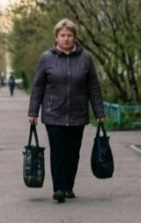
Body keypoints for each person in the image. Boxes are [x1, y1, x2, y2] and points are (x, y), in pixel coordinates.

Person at [27, 19, 105, 204]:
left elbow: (93, 86)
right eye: (62, 35)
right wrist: (33, 112)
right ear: (56, 38)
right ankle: (59, 188)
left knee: (73, 151)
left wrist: (99, 111)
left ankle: (69, 186)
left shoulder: (85, 58)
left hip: (78, 113)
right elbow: (38, 86)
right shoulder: (46, 58)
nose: (66, 39)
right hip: (54, 112)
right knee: (57, 151)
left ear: (75, 38)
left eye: (69, 35)